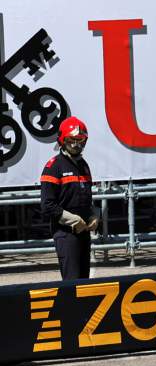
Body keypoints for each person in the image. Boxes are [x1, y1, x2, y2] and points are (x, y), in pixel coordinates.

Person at [40, 116, 97, 280]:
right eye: (72, 139)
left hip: (83, 232)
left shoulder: (84, 165)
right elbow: (47, 205)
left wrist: (94, 215)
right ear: (62, 140)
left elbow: (87, 198)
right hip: (65, 234)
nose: (76, 144)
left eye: (80, 140)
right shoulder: (53, 167)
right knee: (72, 282)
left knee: (84, 281)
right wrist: (73, 220)